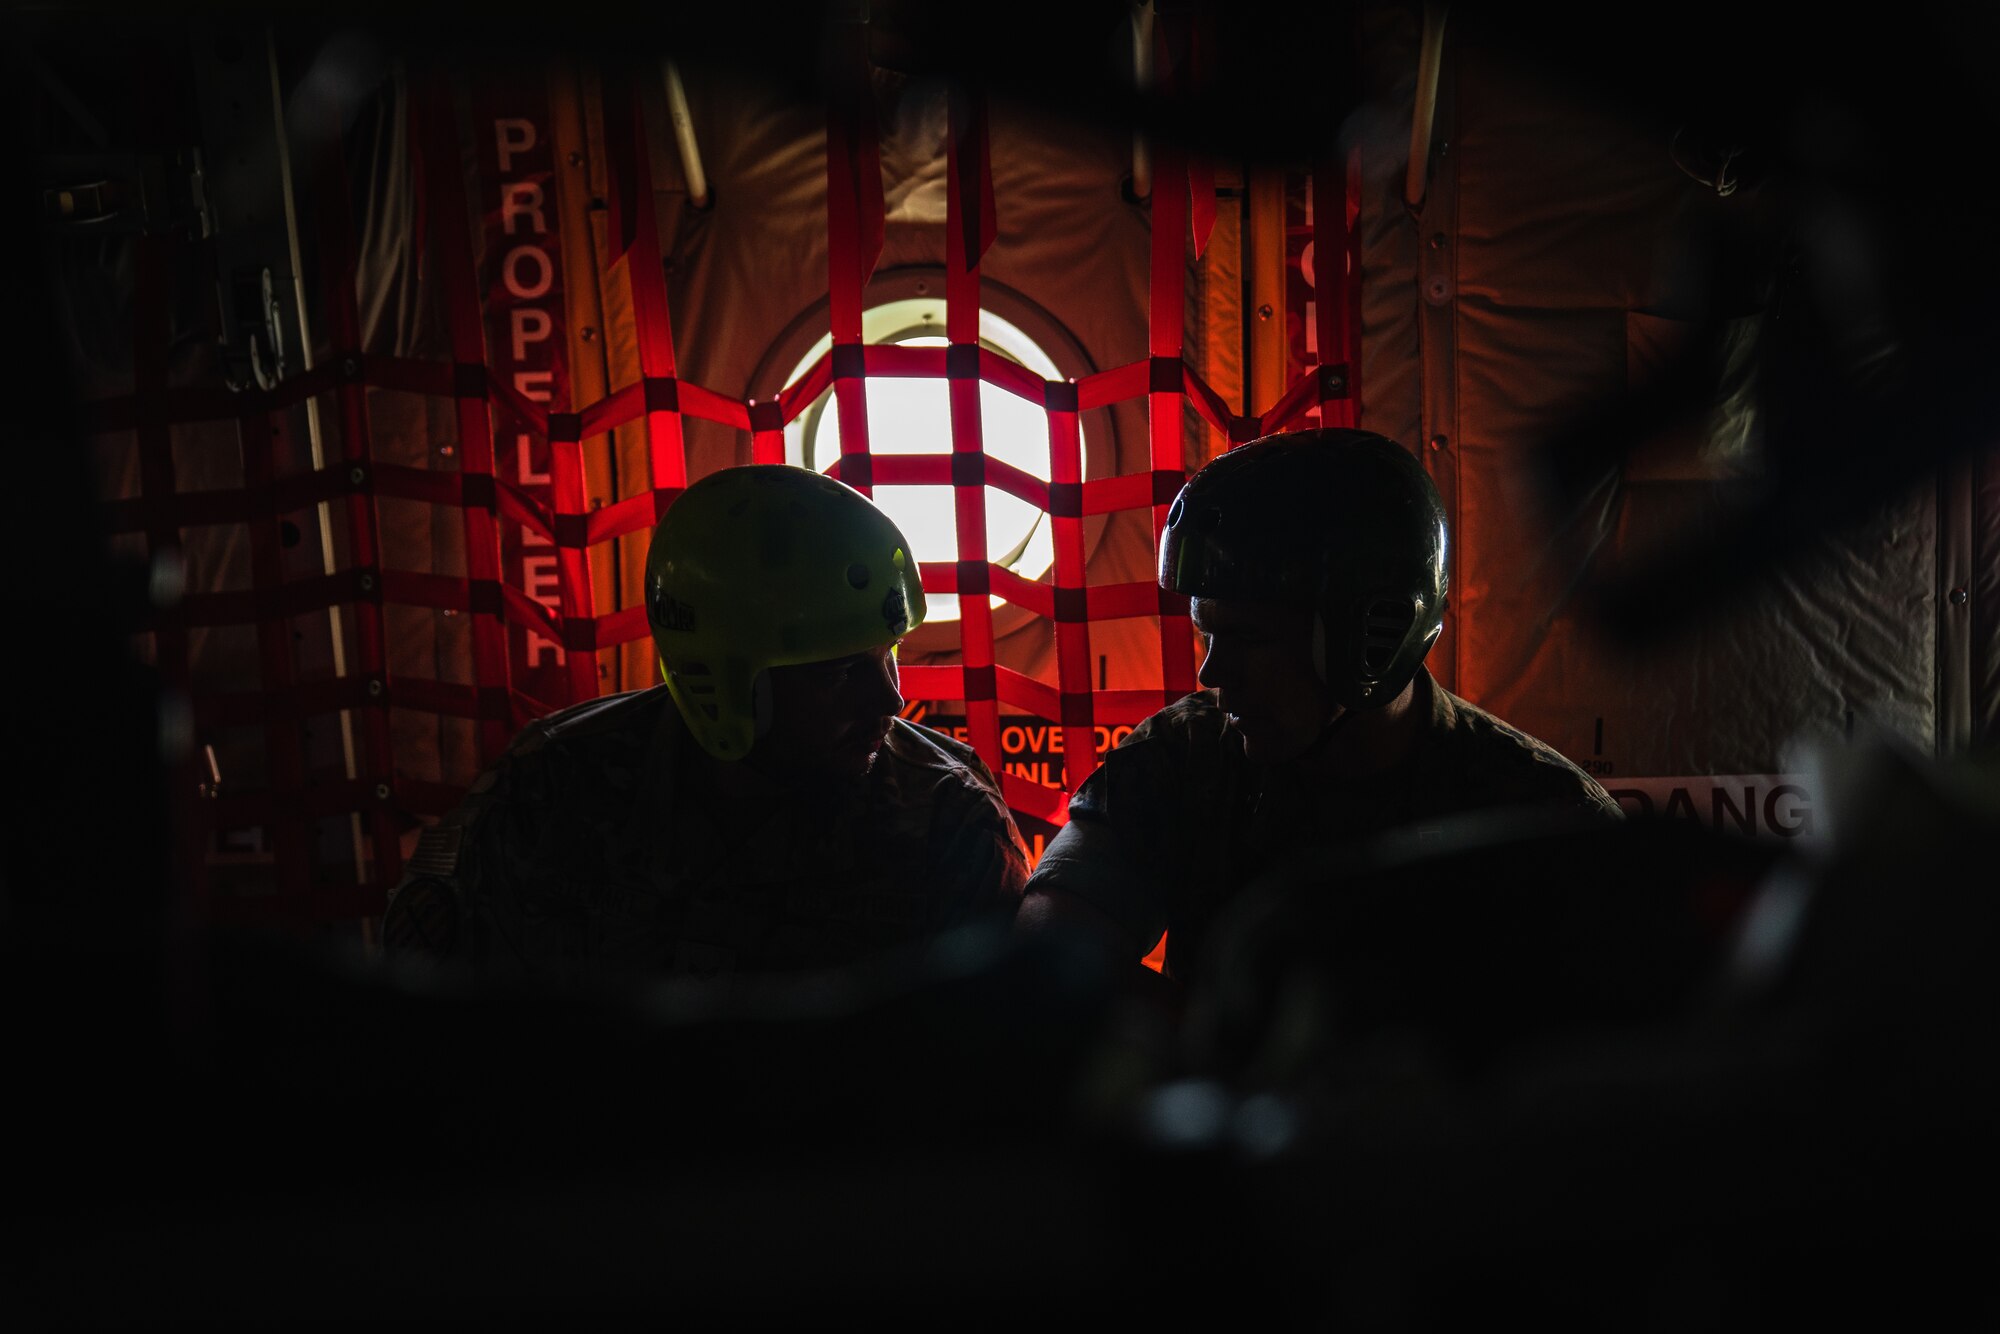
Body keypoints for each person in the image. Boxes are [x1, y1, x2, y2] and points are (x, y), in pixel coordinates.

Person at [1017, 428, 1619, 983]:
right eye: (1208, 635)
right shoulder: (1186, 757)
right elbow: (1048, 950)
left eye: (1251, 640)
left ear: (1371, 639)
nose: (1212, 672)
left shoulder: (1540, 817)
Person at [384, 465, 1030, 980]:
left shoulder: (945, 815)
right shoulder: (557, 784)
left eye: (886, 657)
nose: (888, 701)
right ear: (726, 681)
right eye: (836, 673)